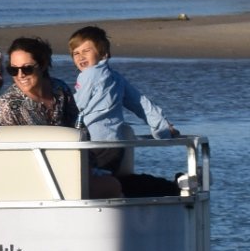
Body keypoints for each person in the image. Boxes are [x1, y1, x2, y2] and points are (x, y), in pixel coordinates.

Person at [68, 25, 178, 176]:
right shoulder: (117, 78)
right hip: (116, 144)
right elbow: (140, 103)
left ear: (103, 54)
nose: (80, 57)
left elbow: (75, 105)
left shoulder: (88, 75)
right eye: (76, 53)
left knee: (87, 184)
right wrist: (162, 128)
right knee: (108, 180)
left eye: (86, 51)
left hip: (94, 144)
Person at [0, 36, 79, 128]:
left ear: (43, 65)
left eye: (27, 68)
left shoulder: (60, 88)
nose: (20, 75)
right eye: (13, 69)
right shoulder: (5, 107)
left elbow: (77, 127)